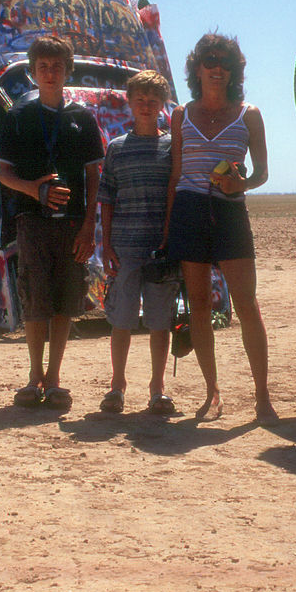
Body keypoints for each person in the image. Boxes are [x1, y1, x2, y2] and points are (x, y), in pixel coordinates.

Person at [164, 33, 275, 422]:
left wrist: (240, 184)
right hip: (190, 212)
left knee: (247, 305)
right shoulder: (181, 114)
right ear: (197, 68)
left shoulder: (250, 114)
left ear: (234, 71)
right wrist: (167, 229)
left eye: (225, 61)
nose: (217, 68)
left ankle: (262, 395)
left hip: (230, 213)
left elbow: (262, 173)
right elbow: (177, 174)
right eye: (209, 60)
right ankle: (213, 392)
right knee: (197, 307)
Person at [0, 35, 105, 412]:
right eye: (43, 66)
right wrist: (34, 191)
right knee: (34, 299)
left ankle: (55, 378)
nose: (51, 72)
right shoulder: (19, 117)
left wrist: (90, 225)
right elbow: (3, 175)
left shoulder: (82, 118)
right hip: (33, 221)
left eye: (57, 66)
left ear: (67, 70)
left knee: (65, 301)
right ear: (33, 72)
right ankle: (33, 376)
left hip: (73, 223)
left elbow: (94, 176)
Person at [97, 70, 181, 416]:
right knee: (123, 320)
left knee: (160, 322)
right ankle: (117, 386)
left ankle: (157, 389)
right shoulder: (116, 149)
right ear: (130, 103)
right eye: (140, 100)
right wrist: (107, 244)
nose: (146, 106)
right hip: (125, 247)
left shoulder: (172, 148)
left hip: (161, 249)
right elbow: (107, 198)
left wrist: (171, 238)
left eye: (153, 101)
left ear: (162, 105)